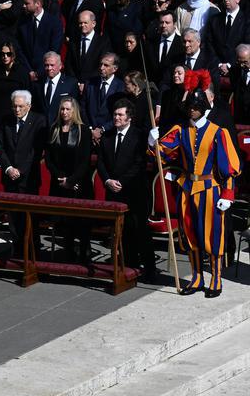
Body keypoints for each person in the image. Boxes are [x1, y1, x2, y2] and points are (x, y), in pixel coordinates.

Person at [150, 91, 242, 296]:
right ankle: (197, 277)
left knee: (212, 235)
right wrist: (153, 141)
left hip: (210, 191)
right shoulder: (180, 131)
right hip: (187, 189)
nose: (192, 110)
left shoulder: (219, 132)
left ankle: (215, 279)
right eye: (190, 106)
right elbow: (162, 154)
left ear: (203, 108)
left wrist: (228, 194)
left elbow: (229, 166)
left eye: (196, 106)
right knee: (191, 235)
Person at [97, 99, 156, 280]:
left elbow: (139, 163)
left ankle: (149, 268)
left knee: (140, 229)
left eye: (120, 115)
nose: (116, 117)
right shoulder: (107, 137)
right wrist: (107, 180)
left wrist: (120, 181)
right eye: (115, 114)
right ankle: (129, 265)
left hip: (134, 191)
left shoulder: (139, 135)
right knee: (123, 231)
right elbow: (101, 162)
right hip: (113, 191)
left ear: (129, 117)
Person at [0, 90, 46, 252]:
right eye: (14, 106)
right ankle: (16, 249)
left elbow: (36, 150)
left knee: (29, 215)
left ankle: (32, 248)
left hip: (29, 177)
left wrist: (21, 170)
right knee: (13, 216)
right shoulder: (6, 120)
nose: (17, 110)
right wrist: (9, 168)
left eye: (21, 107)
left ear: (29, 106)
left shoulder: (39, 120)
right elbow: (0, 146)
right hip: (10, 176)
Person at [46, 97, 93, 263]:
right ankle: (68, 251)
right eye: (62, 109)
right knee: (64, 222)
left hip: (79, 183)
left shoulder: (83, 130)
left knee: (80, 221)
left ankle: (84, 251)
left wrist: (71, 180)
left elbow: (85, 161)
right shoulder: (54, 129)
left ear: (74, 111)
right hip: (59, 182)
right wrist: (60, 178)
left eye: (67, 109)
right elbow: (49, 159)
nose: (64, 112)